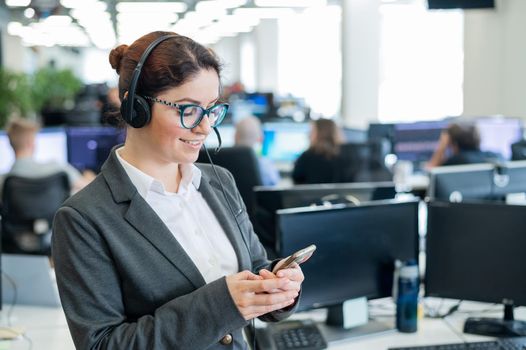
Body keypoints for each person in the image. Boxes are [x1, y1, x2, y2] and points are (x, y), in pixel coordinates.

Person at [52, 31, 304, 350]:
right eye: (188, 110)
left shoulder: (219, 181)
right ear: (136, 108)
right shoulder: (84, 219)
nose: (205, 127)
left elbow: (254, 269)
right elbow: (102, 344)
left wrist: (277, 286)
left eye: (212, 108)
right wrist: (224, 303)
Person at [0, 117, 94, 196]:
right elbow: (88, 188)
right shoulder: (57, 168)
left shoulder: (3, 181)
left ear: (10, 143)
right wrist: (89, 177)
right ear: (30, 143)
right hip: (53, 218)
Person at [292, 118, 346, 184]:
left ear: (321, 133)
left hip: (311, 194)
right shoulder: (348, 155)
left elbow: (296, 179)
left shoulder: (307, 156)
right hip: (339, 194)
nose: (308, 135)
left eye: (311, 131)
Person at [426, 122, 502, 168]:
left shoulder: (457, 160)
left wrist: (442, 147)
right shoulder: (495, 155)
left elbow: (431, 172)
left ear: (451, 141)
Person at [235, 115, 280, 186]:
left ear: (235, 137)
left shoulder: (222, 163)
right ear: (261, 138)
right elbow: (274, 188)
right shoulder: (266, 165)